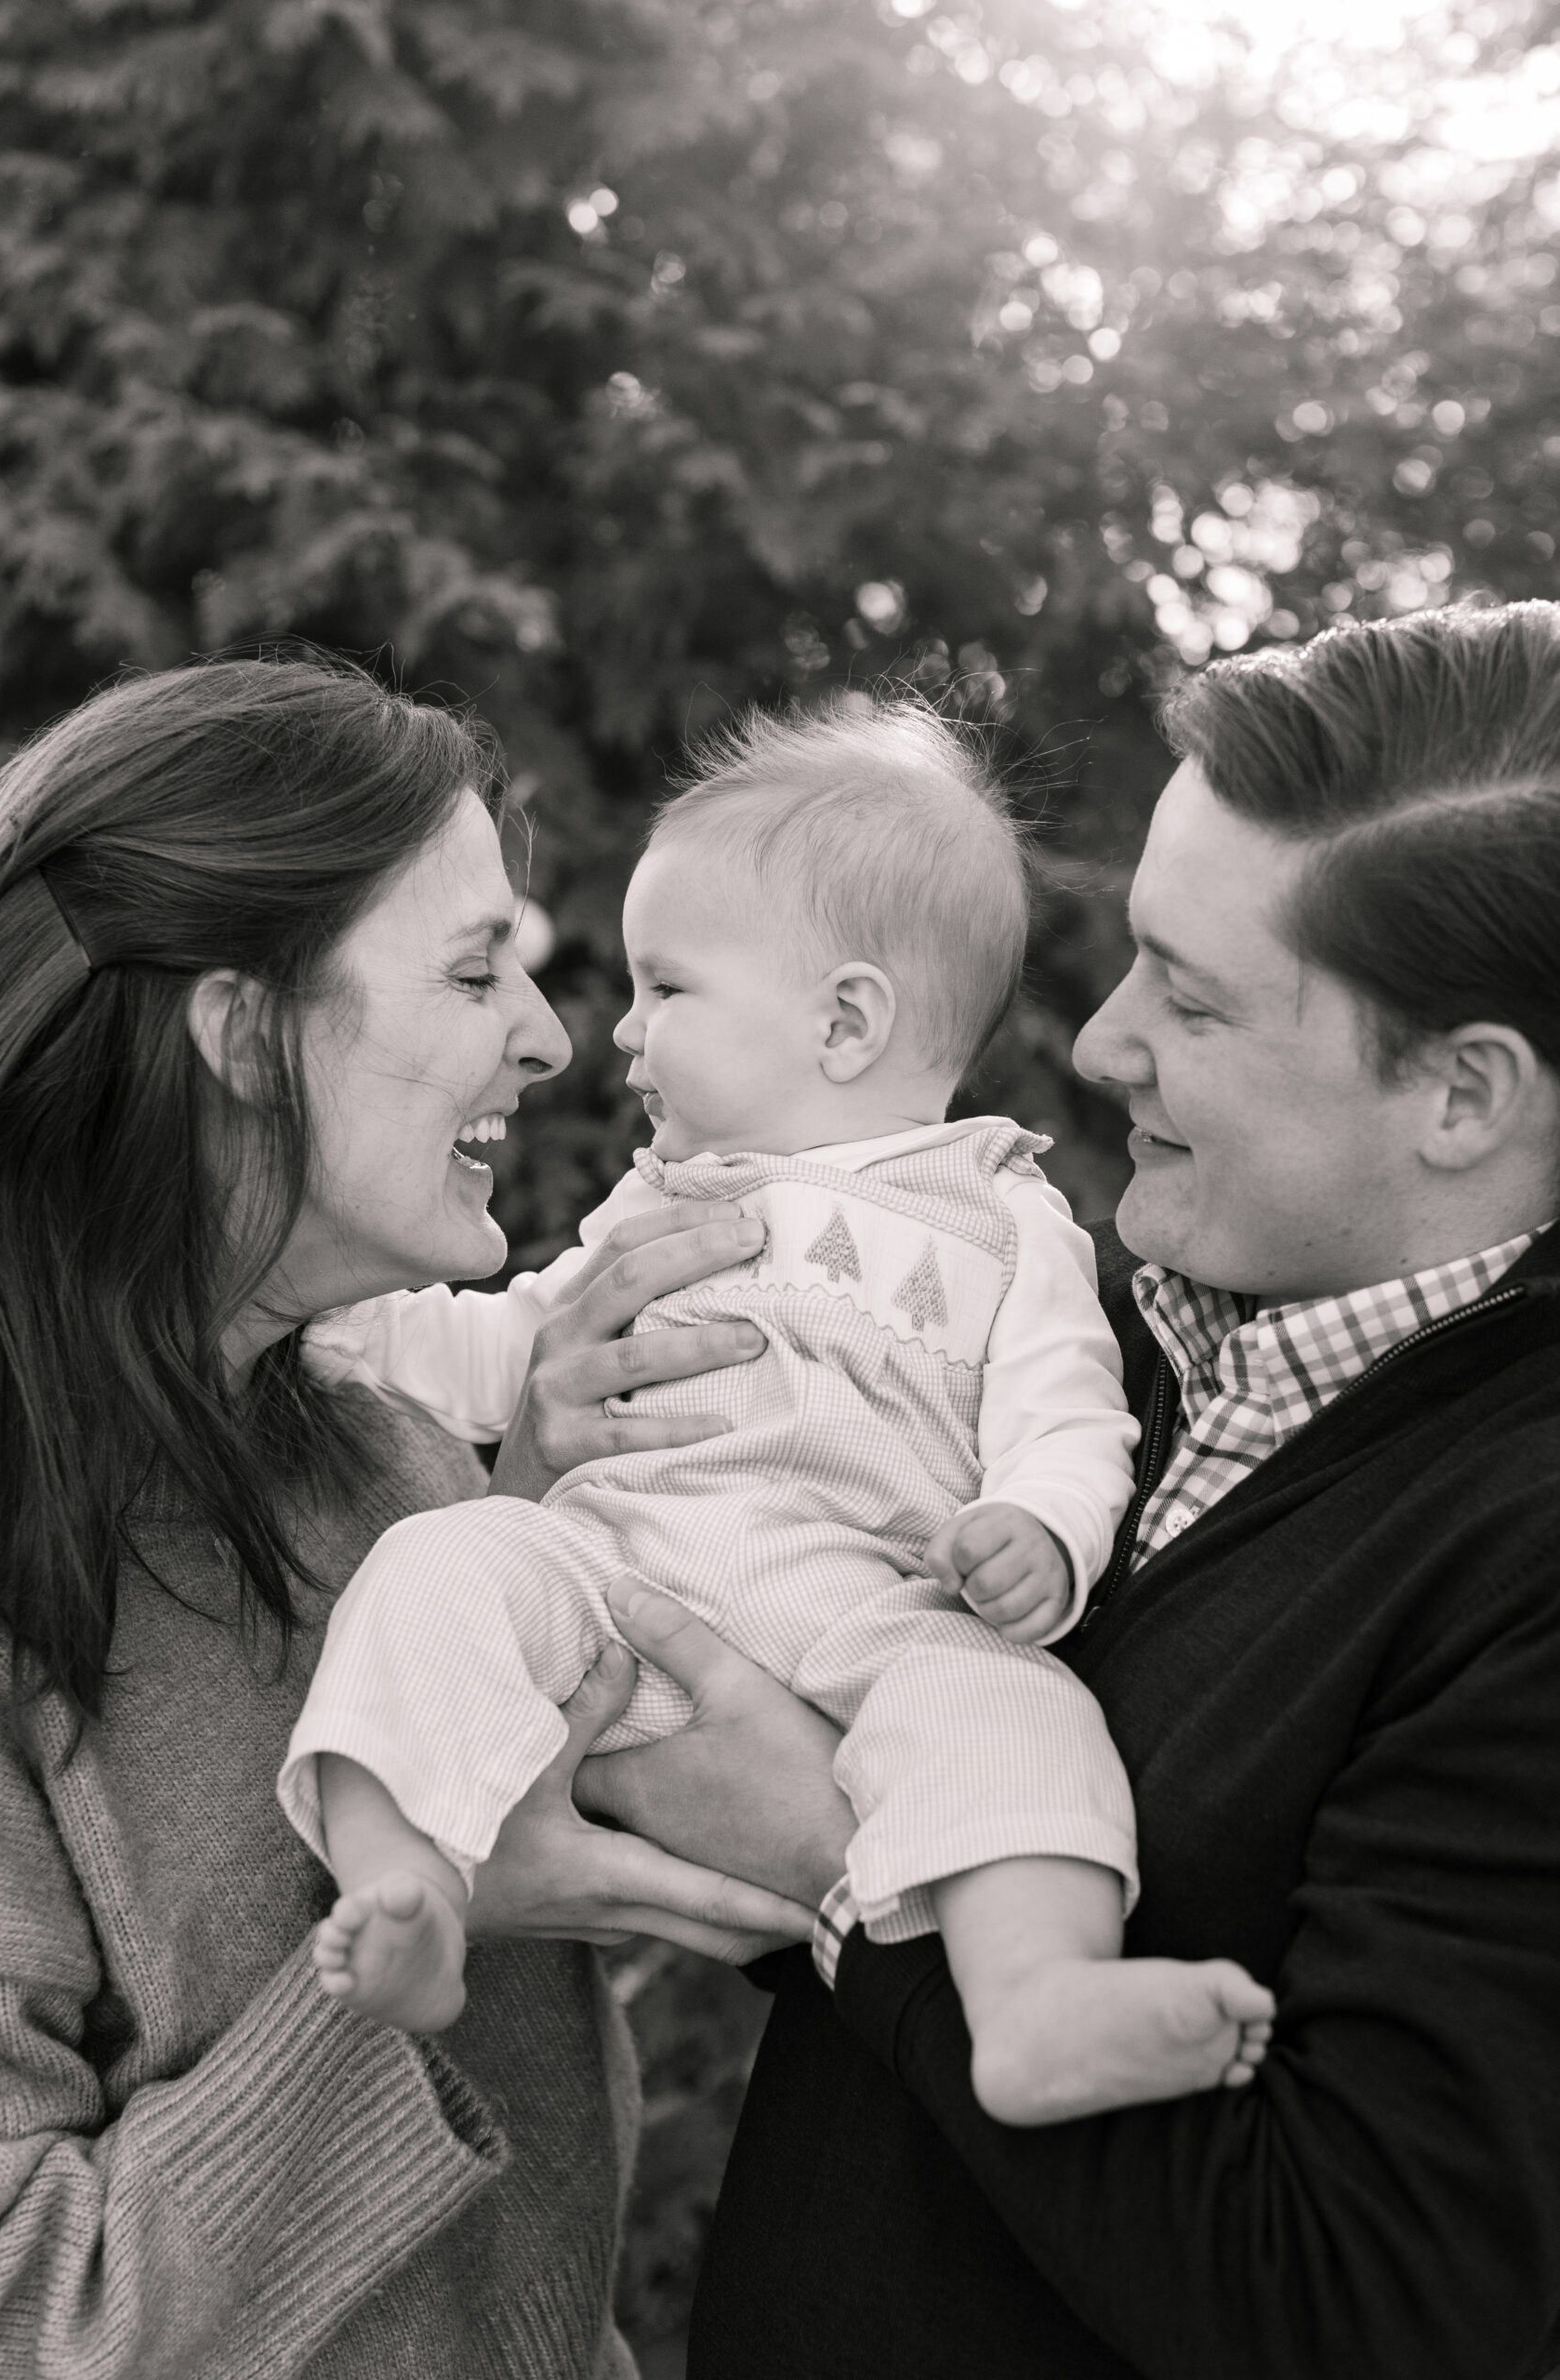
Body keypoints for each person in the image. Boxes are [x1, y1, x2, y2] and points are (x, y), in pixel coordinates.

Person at [560, 602, 1560, 2379]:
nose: (1098, 1045)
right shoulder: (1131, 1354)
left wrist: (835, 1863)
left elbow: (1369, 2299)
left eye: (1190, 993)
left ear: (1465, 1095)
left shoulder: (1524, 1548)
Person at [0, 654, 809, 2380]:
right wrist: (422, 1926)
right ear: (244, 1037)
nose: (555, 1034)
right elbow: (22, 2316)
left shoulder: (399, 1478)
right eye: (473, 964)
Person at [282, 704, 1274, 2119]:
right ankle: (408, 1881)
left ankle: (1038, 2001)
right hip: (617, 1578)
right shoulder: (660, 1201)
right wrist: (344, 1330)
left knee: (1008, 1712)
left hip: (869, 1608)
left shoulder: (1005, 1215)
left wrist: (1038, 1532)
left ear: (847, 1018)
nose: (615, 1032)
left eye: (666, 991)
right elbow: (515, 1343)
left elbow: (1070, 1412)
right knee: (441, 1562)